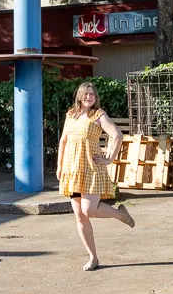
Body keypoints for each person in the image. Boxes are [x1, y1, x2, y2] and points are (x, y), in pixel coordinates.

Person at [56, 81, 134, 271]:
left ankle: (119, 214)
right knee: (80, 216)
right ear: (80, 96)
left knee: (89, 210)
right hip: (73, 171)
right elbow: (64, 140)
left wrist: (109, 158)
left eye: (92, 94)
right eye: (86, 94)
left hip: (91, 170)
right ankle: (93, 258)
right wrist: (59, 165)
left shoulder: (98, 115)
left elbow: (117, 135)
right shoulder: (71, 114)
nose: (89, 97)